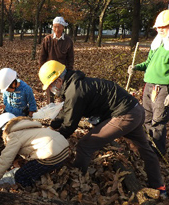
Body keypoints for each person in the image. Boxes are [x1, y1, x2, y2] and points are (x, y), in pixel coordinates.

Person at [38, 60, 167, 197]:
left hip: (125, 115)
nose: (51, 89)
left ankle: (77, 177)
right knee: (145, 149)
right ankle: (159, 186)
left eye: (51, 85)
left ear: (58, 80)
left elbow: (70, 125)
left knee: (84, 145)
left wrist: (53, 140)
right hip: (135, 110)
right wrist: (53, 126)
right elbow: (67, 110)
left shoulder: (74, 91)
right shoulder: (74, 84)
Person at [0, 112, 69, 187]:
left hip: (51, 157)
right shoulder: (29, 126)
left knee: (20, 176)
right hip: (64, 150)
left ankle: (27, 191)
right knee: (30, 168)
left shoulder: (13, 136)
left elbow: (4, 160)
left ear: (3, 131)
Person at [128, 9, 169, 157]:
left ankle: (157, 153)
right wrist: (135, 68)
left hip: (164, 88)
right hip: (149, 86)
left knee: (158, 121)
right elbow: (148, 63)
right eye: (158, 27)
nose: (159, 29)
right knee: (146, 118)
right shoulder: (157, 43)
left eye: (163, 27)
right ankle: (147, 147)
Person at [39, 16, 74, 104]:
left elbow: (70, 58)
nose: (57, 29)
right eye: (55, 27)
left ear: (63, 27)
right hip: (49, 71)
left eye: (59, 27)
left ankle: (62, 110)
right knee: (50, 94)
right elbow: (42, 57)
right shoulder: (47, 40)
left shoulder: (68, 41)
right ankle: (50, 110)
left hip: (62, 71)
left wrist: (69, 72)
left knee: (62, 92)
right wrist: (41, 71)